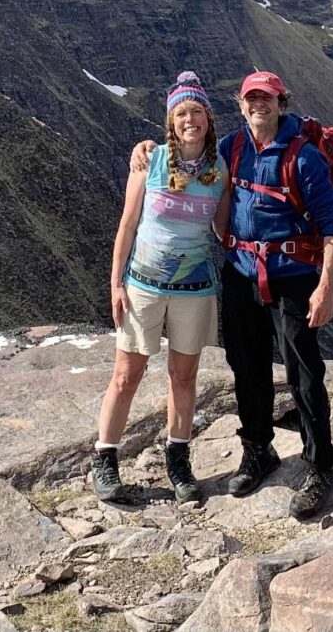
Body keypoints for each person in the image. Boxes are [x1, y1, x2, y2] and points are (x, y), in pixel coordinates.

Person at [130, 71, 333, 519]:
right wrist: (146, 148)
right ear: (241, 103)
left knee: (304, 371)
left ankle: (320, 462)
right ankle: (258, 449)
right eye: (251, 98)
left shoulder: (303, 158)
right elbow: (186, 154)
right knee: (246, 367)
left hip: (293, 277)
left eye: (266, 97)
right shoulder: (231, 147)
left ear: (280, 101)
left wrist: (325, 288)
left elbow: (331, 227)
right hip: (241, 272)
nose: (258, 105)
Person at [92, 71, 230, 504]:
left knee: (183, 376)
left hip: (195, 289)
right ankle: (105, 459)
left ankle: (178, 461)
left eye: (197, 112)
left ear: (208, 118)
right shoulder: (148, 161)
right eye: (182, 113)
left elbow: (224, 230)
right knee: (126, 374)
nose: (190, 119)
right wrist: (116, 285)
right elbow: (127, 225)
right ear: (171, 121)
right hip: (144, 286)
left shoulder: (219, 169)